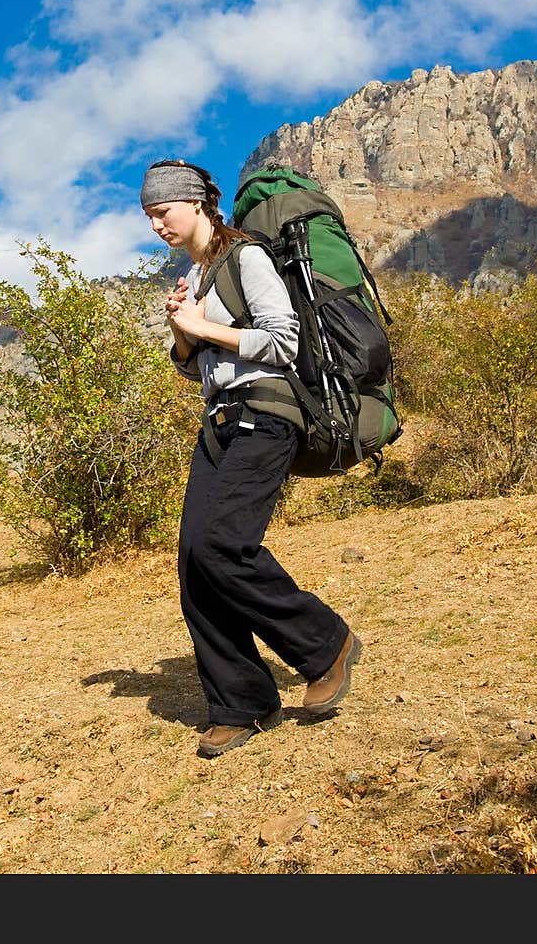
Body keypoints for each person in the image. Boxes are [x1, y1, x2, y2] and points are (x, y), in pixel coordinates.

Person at [139, 157, 361, 758]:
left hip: (265, 417)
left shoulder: (247, 257)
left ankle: (325, 644)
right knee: (193, 560)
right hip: (219, 421)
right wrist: (183, 329)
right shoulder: (200, 274)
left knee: (223, 546)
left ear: (195, 203)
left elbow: (281, 339)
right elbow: (195, 368)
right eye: (149, 216)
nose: (156, 224)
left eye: (162, 212)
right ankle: (241, 702)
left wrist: (204, 329)